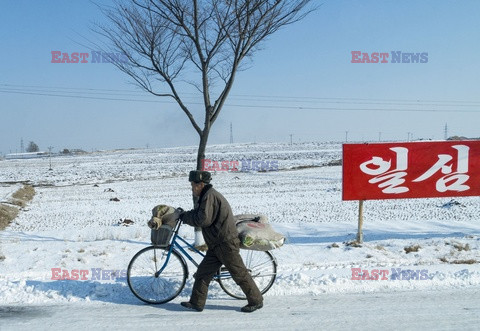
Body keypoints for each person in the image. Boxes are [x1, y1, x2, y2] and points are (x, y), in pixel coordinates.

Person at [169, 170, 264, 313]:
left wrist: (185, 218)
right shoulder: (206, 195)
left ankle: (256, 300)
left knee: (239, 273)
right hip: (216, 243)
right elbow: (201, 214)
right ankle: (196, 303)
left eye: (193, 185)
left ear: (200, 184)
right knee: (203, 273)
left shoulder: (209, 197)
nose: (192, 188)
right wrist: (185, 215)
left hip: (225, 242)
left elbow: (203, 219)